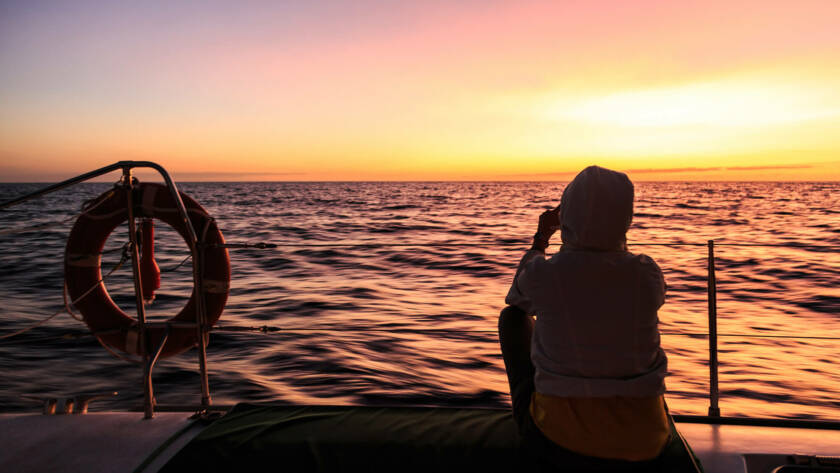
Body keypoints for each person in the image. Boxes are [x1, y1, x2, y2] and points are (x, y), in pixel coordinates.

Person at [499, 165, 671, 471]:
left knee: (512, 318)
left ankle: (531, 418)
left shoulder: (546, 273)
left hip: (560, 441)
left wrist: (542, 238)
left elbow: (516, 298)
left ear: (568, 214)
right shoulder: (646, 273)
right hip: (646, 442)